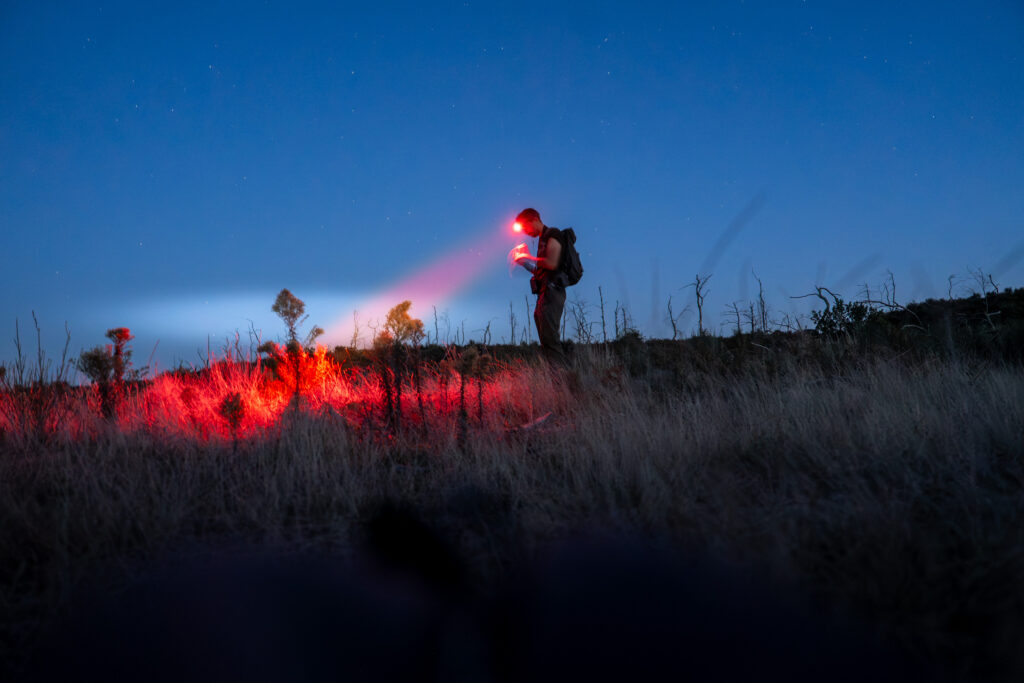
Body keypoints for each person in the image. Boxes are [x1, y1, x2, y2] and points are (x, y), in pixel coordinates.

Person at [514, 208, 568, 365]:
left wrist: (528, 256)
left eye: (525, 227)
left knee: (551, 341)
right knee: (546, 342)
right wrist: (524, 263)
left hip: (553, 293)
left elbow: (552, 263)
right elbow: (542, 270)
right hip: (544, 294)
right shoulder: (543, 239)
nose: (525, 231)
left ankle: (563, 382)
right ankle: (557, 380)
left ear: (534, 219)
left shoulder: (553, 233)